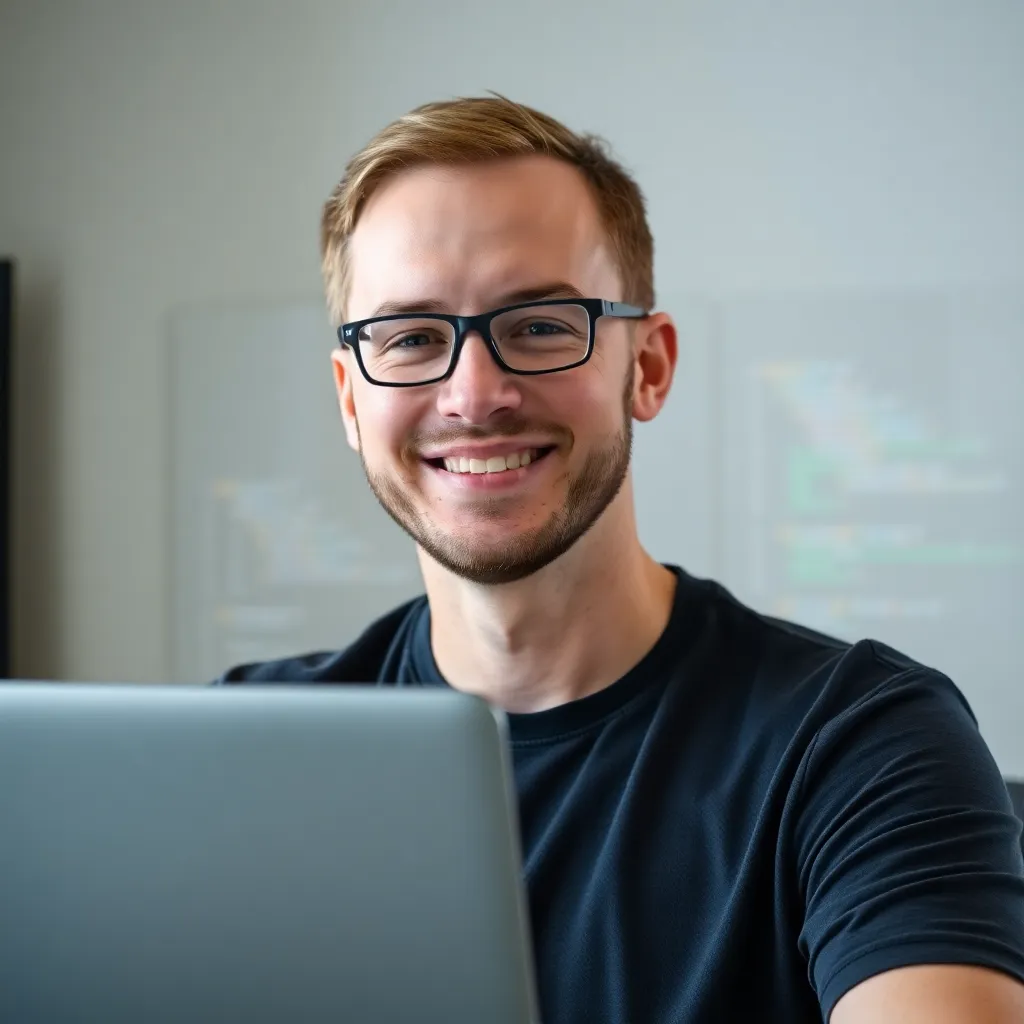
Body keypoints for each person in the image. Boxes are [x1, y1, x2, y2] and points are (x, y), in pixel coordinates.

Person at [218, 95, 1024, 1022]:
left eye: (540, 325)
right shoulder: (245, 755)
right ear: (352, 402)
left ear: (648, 366)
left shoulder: (862, 742)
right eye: (409, 339)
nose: (475, 396)